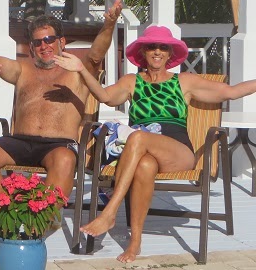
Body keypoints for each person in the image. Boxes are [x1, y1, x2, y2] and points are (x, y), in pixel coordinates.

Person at [54, 24, 256, 263]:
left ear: (170, 54)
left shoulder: (184, 81)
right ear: (143, 52)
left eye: (163, 47)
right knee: (145, 165)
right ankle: (135, 241)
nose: (157, 51)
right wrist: (81, 70)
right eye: (152, 47)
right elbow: (105, 97)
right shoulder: (132, 82)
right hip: (142, 152)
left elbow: (231, 92)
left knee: (137, 137)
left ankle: (109, 212)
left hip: (177, 151)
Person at [0, 0, 123, 215]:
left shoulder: (78, 71)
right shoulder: (23, 69)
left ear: (61, 41)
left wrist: (109, 24)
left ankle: (40, 222)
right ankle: (5, 218)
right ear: (31, 47)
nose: (44, 46)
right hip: (20, 142)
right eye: (37, 42)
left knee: (65, 159)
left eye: (49, 39)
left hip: (58, 145)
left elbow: (96, 55)